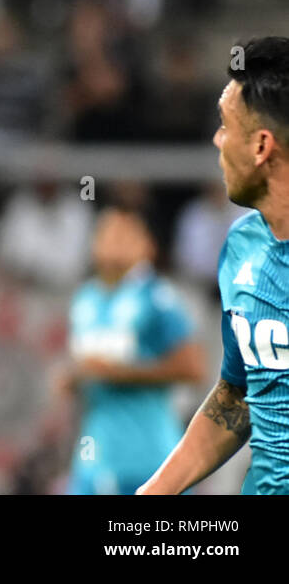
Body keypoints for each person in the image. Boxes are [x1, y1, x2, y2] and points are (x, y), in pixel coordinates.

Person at [139, 37, 289, 494]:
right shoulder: (242, 249)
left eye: (225, 126)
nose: (215, 141)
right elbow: (240, 394)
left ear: (261, 145)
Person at [61, 207, 204, 494]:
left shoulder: (158, 298)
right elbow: (86, 367)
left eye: (125, 234)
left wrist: (120, 373)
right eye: (108, 232)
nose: (114, 241)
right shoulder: (85, 299)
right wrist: (73, 379)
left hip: (150, 454)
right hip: (96, 450)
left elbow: (193, 368)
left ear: (146, 246)